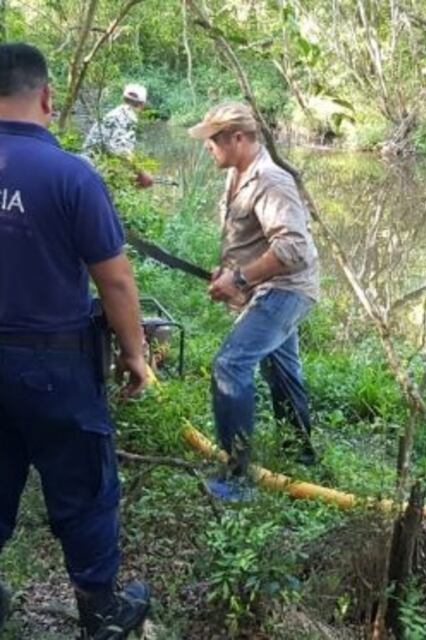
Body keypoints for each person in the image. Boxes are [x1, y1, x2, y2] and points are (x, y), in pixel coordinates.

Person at [0, 44, 151, 637]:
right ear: (45, 96)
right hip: (54, 366)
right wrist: (135, 355)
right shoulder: (71, 175)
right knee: (85, 489)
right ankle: (101, 614)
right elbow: (113, 277)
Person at [188, 102, 320, 500]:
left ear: (239, 139)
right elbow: (248, 240)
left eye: (213, 140)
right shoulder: (236, 175)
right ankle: (302, 454)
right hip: (265, 288)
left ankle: (237, 480)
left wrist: (241, 278)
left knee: (231, 365)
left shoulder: (270, 180)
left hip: (286, 290)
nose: (207, 147)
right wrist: (227, 273)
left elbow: (293, 248)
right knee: (280, 371)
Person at [82, 82, 154, 189]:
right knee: (146, 180)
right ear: (142, 104)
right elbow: (121, 151)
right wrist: (141, 172)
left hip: (86, 164)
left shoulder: (114, 113)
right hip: (93, 169)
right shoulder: (129, 117)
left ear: (123, 99)